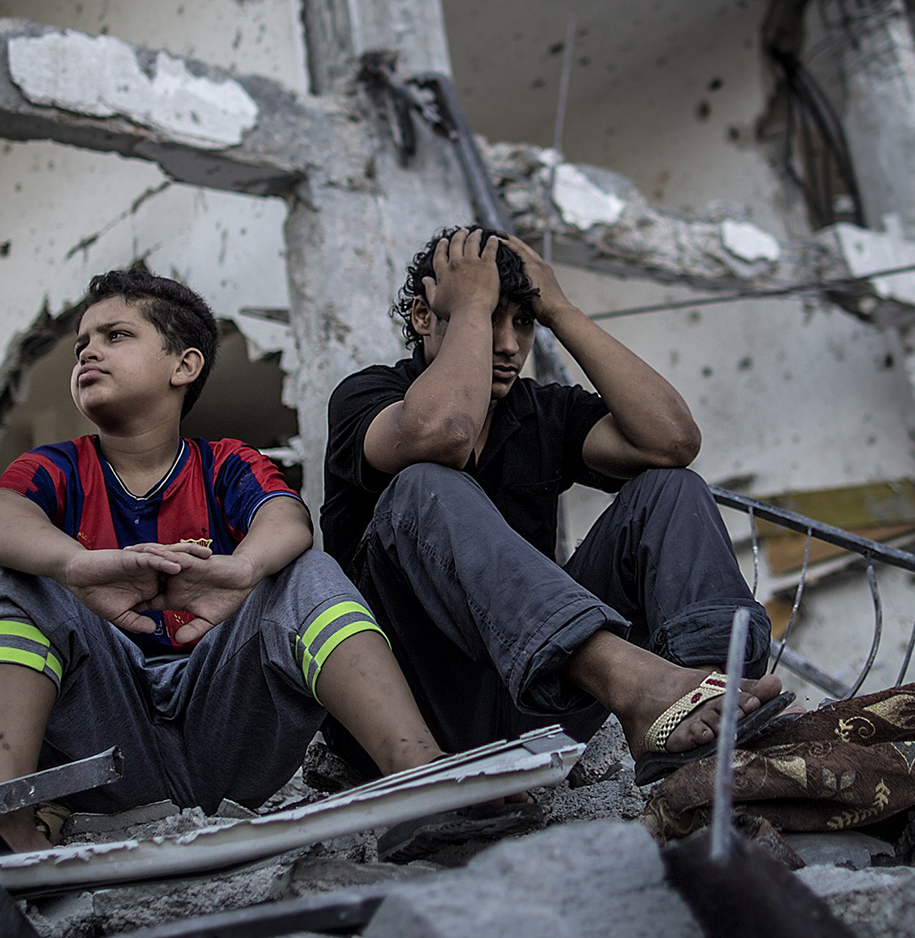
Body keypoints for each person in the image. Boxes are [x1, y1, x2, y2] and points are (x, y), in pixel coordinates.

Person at [0, 267, 445, 852]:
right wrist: (76, 566)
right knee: (11, 576)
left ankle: (421, 774)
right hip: (106, 750)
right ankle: (2, 813)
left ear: (184, 366)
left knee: (307, 570)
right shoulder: (57, 467)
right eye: (81, 343)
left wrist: (241, 572)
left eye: (115, 336)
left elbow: (288, 519)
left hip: (225, 732)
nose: (88, 351)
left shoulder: (224, 463)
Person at [322, 227, 789, 787]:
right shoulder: (367, 396)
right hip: (410, 709)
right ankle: (634, 684)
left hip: (530, 693)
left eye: (521, 322)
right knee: (423, 485)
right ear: (425, 317)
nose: (509, 345)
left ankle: (701, 702)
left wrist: (561, 310)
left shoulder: (539, 412)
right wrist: (471, 298)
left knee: (670, 488)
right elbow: (441, 433)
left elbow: (672, 440)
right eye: (489, 317)